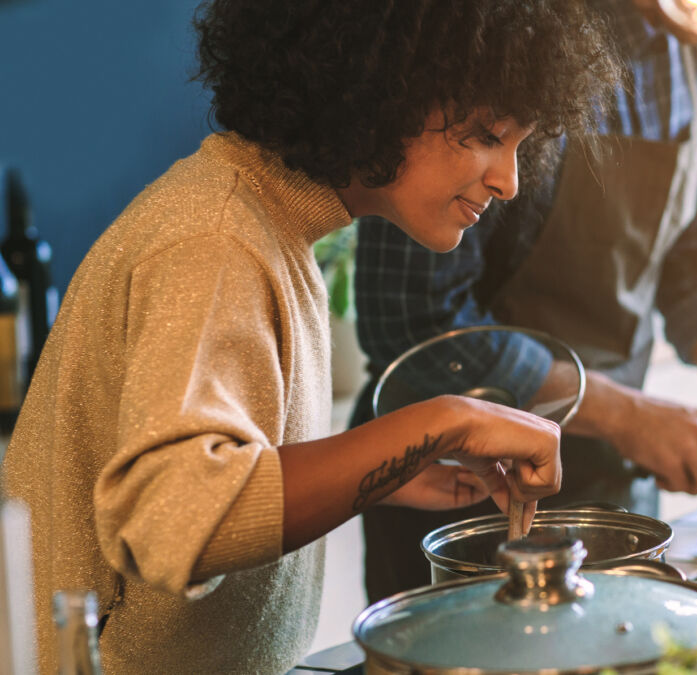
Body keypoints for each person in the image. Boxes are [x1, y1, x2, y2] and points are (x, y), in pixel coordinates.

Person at [0, 1, 621, 672]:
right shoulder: (213, 238)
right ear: (381, 89)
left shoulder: (267, 228)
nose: (510, 180)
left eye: (520, 145)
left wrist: (381, 475)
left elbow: (226, 460)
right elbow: (176, 514)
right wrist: (446, 420)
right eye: (483, 134)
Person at [350, 0, 697, 601]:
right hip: (460, 505)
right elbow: (416, 325)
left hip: (613, 493)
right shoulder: (493, 36)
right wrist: (625, 417)